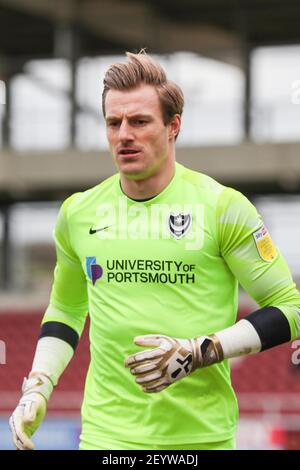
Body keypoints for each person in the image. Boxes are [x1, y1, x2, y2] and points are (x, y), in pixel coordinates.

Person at [9, 51, 300, 451]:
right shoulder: (78, 213)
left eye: (140, 121)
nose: (124, 134)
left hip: (202, 442)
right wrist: (37, 386)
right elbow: (65, 311)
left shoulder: (223, 207)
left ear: (173, 126)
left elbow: (290, 308)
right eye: (114, 123)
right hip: (105, 439)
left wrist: (200, 351)